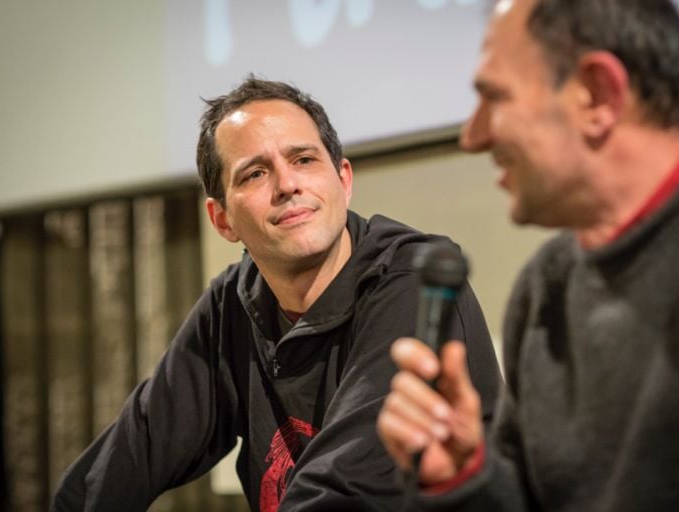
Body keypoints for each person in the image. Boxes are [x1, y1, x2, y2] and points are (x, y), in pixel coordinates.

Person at [51, 77, 502, 512]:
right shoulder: (233, 302)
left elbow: (345, 491)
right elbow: (123, 464)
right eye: (255, 173)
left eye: (303, 159)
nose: (287, 185)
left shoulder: (412, 280)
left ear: (343, 179)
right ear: (222, 219)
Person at [377, 0, 679, 510]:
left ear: (597, 95)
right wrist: (462, 477)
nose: (472, 137)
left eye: (494, 98)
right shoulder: (546, 284)